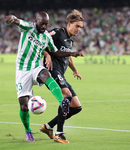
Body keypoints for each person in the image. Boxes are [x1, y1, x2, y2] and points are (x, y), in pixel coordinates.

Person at [5, 11, 83, 142]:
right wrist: (12, 18)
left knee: (46, 75)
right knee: (24, 106)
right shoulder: (29, 27)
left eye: (46, 24)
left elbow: (56, 52)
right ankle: (28, 131)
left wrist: (72, 54)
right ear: (36, 21)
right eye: (42, 24)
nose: (44, 27)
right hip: (22, 70)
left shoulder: (46, 36)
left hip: (36, 66)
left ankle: (61, 103)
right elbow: (18, 21)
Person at [40, 9, 84, 143]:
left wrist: (75, 70)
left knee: (76, 107)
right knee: (66, 95)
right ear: (69, 24)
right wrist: (47, 55)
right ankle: (59, 133)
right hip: (50, 71)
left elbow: (68, 57)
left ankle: (48, 127)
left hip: (60, 74)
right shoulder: (57, 33)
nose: (78, 30)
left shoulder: (70, 41)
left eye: (80, 27)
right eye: (77, 26)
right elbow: (40, 41)